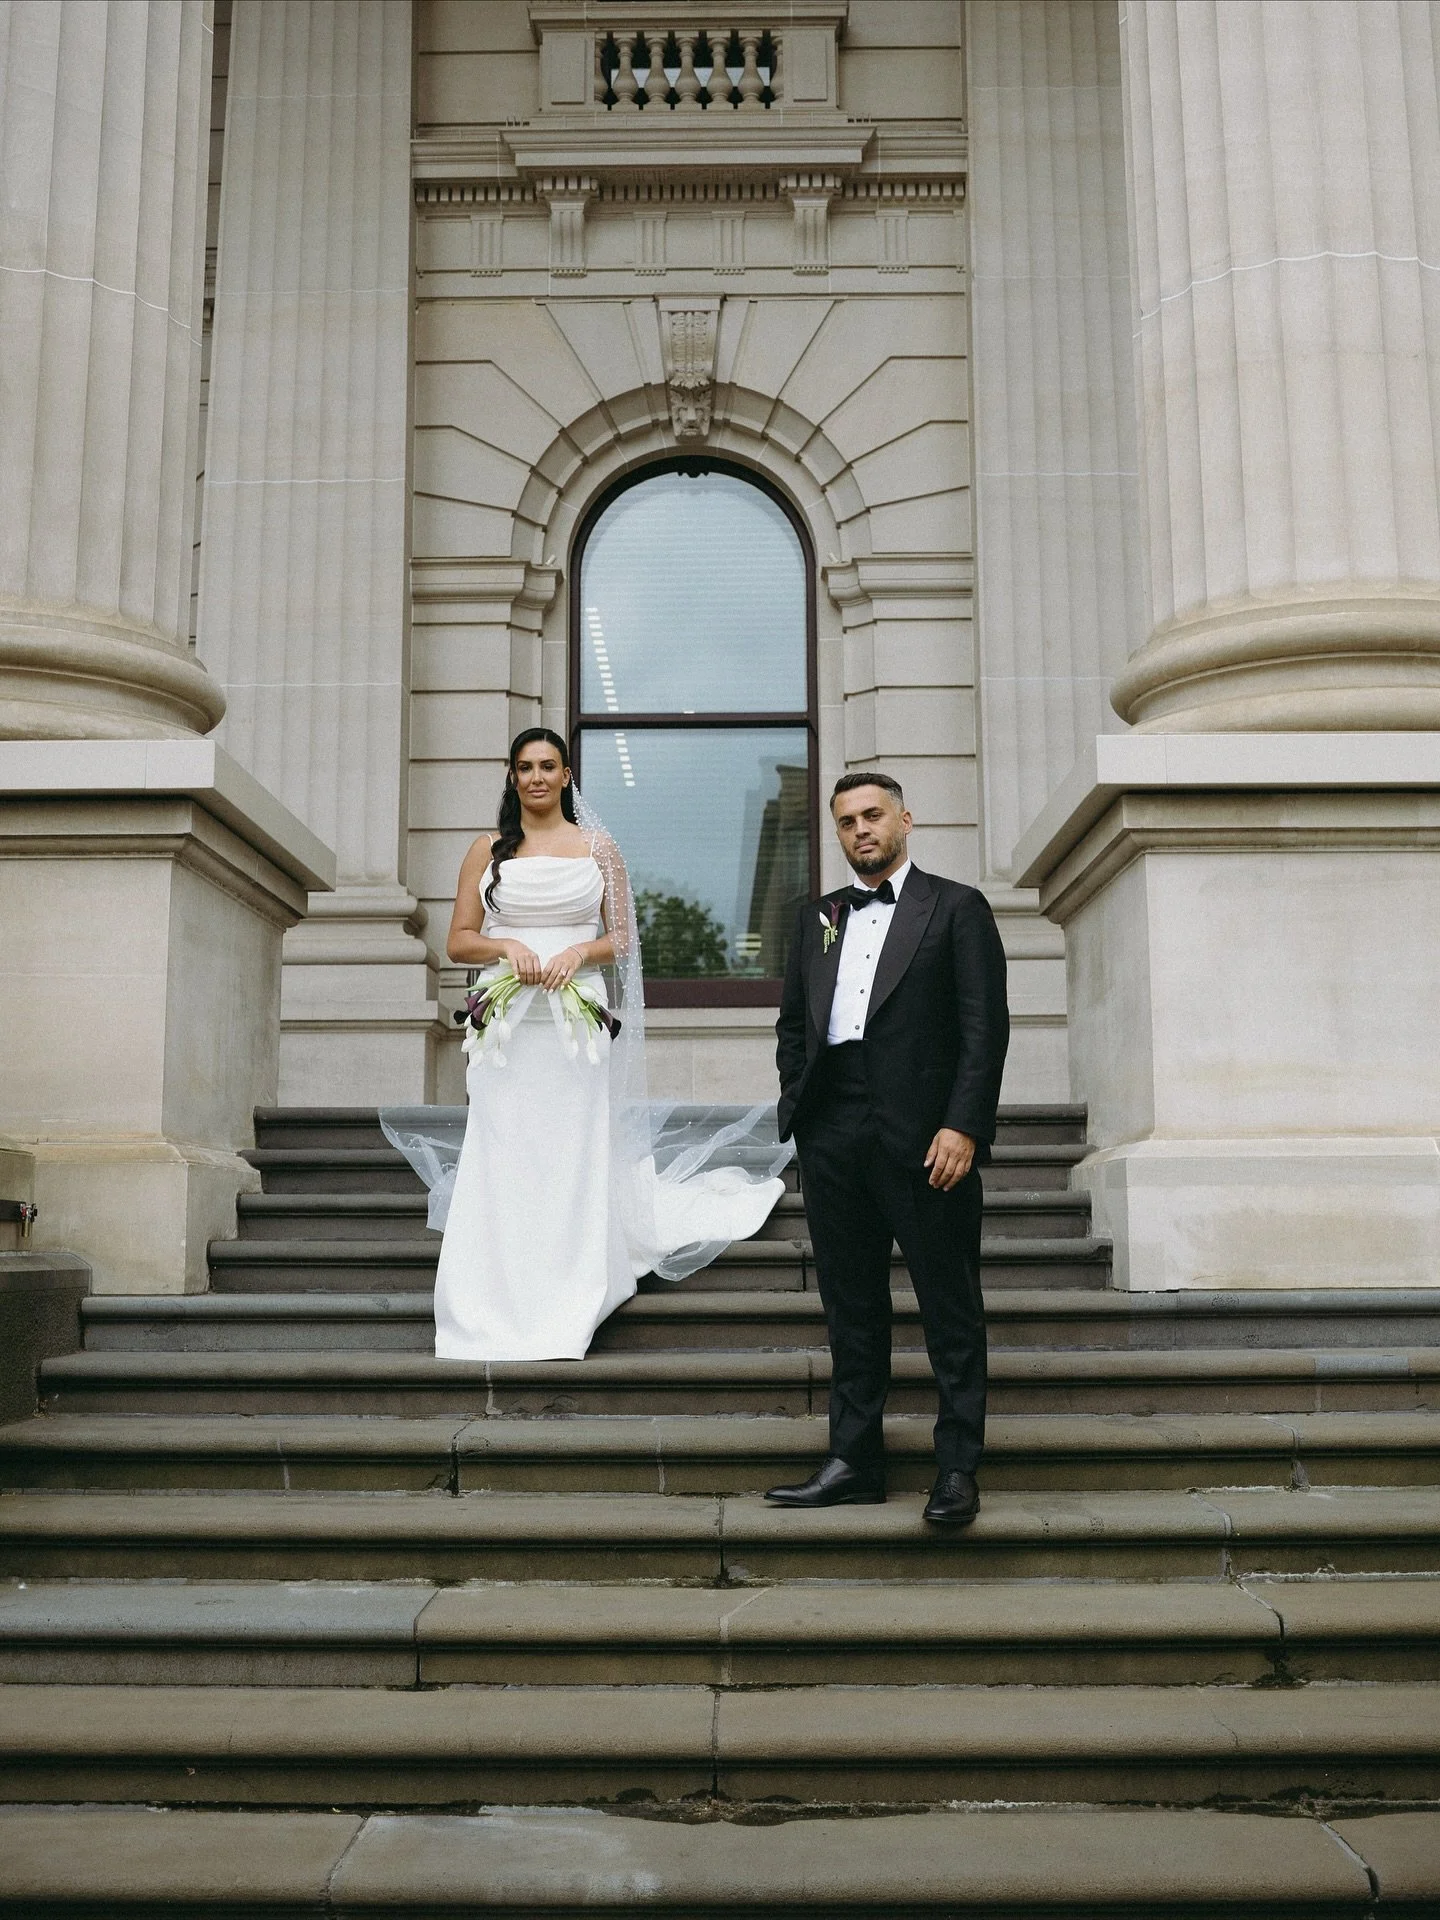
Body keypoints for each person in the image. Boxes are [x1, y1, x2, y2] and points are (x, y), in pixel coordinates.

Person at [418, 727, 786, 1362]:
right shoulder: (486, 850)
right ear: (511, 776)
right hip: (508, 1028)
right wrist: (507, 945)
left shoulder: (598, 847)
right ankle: (490, 1295)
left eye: (549, 766)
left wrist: (575, 951)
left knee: (571, 1148)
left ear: (566, 776)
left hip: (574, 1023)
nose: (536, 777)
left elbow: (622, 938)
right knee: (502, 1147)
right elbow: (458, 940)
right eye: (525, 767)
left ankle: (569, 1290)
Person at [767, 771, 1010, 1528]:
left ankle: (957, 1467)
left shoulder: (958, 908)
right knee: (851, 1306)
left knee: (949, 1305)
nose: (860, 830)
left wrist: (964, 1125)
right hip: (834, 1131)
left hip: (926, 1136)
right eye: (846, 822)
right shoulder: (816, 918)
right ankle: (854, 1461)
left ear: (906, 817)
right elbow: (794, 1026)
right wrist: (801, 1105)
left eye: (872, 815)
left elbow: (985, 1028)